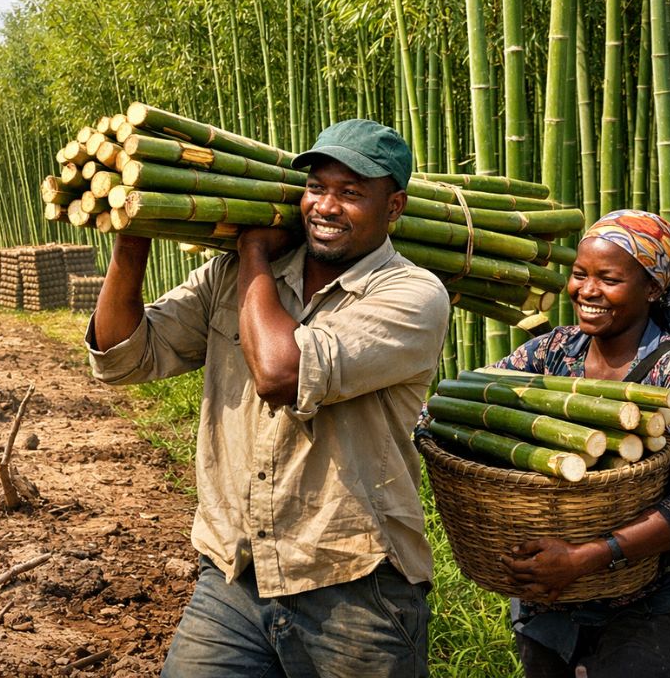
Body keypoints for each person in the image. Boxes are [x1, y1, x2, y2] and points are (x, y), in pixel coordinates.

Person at [86, 120, 450, 677]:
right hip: (233, 574)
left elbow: (281, 373)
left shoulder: (413, 295)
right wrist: (134, 234)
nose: (326, 206)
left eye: (351, 193)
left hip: (353, 584)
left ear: (394, 206)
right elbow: (124, 355)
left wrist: (253, 251)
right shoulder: (229, 276)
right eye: (316, 188)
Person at [495, 210, 670, 678]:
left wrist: (588, 557)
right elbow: (462, 411)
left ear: (654, 289)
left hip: (652, 604)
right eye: (579, 274)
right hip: (553, 601)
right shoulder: (550, 352)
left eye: (609, 278)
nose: (587, 290)